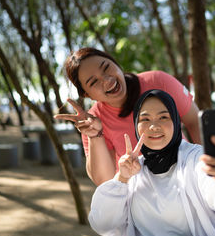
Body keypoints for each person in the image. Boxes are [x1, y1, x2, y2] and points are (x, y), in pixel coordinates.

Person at [88, 90, 215, 236]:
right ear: (135, 126)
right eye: (145, 119)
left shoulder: (195, 158)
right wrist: (122, 179)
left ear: (176, 121)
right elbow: (103, 224)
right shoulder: (132, 170)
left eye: (163, 117)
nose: (154, 126)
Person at [54, 48, 201, 186]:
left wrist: (207, 169)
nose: (106, 80)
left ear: (116, 64)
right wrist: (95, 136)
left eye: (106, 68)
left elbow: (195, 121)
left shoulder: (158, 81)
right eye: (93, 82)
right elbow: (104, 180)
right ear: (87, 95)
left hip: (186, 179)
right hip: (141, 198)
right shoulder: (93, 121)